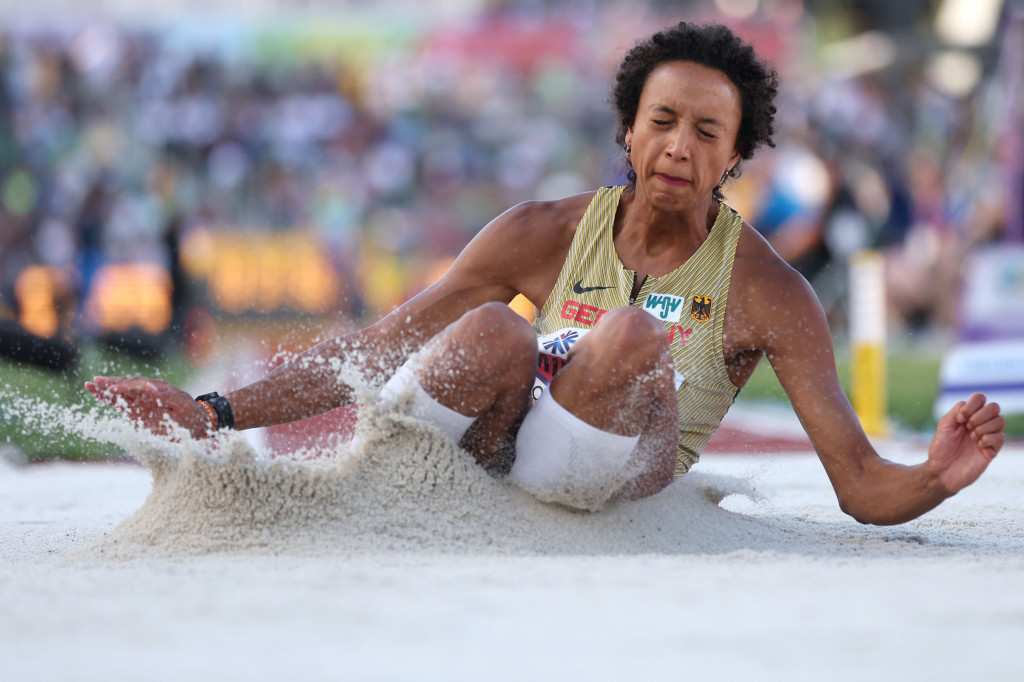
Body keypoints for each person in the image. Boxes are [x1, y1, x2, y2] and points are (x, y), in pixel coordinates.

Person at [87, 22, 1005, 521]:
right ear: (629, 128)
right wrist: (212, 410)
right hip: (497, 451)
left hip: (607, 475)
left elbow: (856, 481)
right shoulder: (540, 231)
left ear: (734, 157)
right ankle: (340, 495)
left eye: (707, 132)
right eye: (663, 120)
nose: (679, 146)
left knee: (634, 335)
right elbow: (374, 348)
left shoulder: (770, 290)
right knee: (489, 330)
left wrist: (931, 478)